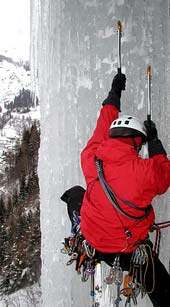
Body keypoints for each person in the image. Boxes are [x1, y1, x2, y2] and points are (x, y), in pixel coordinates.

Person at [80, 73, 170, 306]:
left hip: (93, 239)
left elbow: (102, 127)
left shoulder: (92, 157)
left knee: (75, 194)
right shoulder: (144, 171)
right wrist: (156, 143)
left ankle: (81, 238)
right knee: (163, 290)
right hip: (128, 248)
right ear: (137, 143)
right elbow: (164, 177)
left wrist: (114, 94)